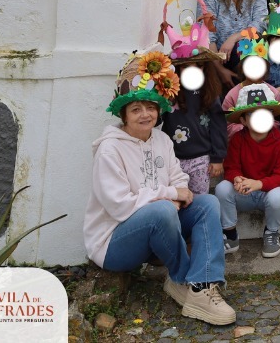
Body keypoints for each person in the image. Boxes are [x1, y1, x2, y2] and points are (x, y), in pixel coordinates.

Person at [84, 52, 236, 326]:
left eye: (151, 107)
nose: (146, 114)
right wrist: (170, 196)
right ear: (124, 114)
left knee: (208, 204)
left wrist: (176, 195)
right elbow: (120, 206)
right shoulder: (110, 149)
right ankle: (179, 278)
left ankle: (202, 286)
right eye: (136, 109)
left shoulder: (162, 140)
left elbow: (178, 179)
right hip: (114, 244)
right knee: (163, 209)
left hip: (156, 227)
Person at [217, 86, 280, 258]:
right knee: (222, 188)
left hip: (267, 193)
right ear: (242, 120)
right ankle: (230, 233)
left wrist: (258, 184)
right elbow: (231, 167)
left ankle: (271, 232)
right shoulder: (237, 140)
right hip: (244, 193)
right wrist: (237, 178)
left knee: (279, 196)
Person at [161, 53, 228, 195]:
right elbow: (156, 120)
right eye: (186, 66)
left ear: (206, 68)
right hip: (172, 159)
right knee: (175, 198)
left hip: (201, 158)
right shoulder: (168, 91)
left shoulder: (209, 91)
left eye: (198, 65)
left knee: (199, 199)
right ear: (177, 68)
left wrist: (217, 157)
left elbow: (218, 125)